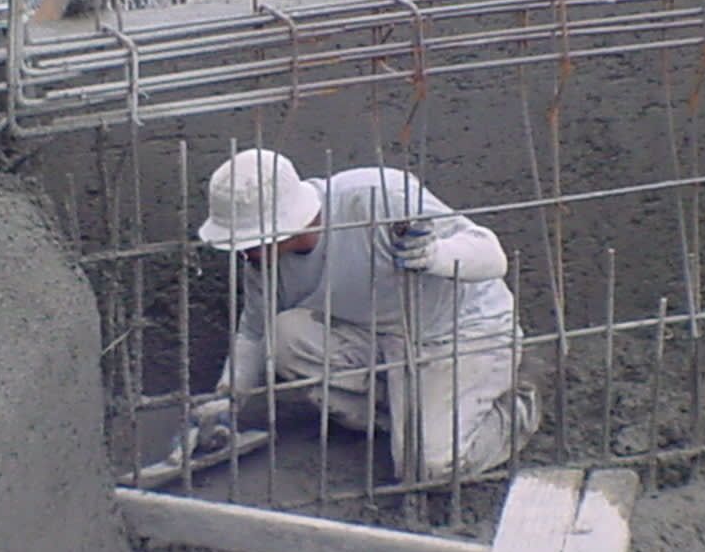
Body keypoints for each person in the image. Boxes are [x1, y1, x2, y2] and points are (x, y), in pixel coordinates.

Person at [176, 148, 543, 480]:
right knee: (284, 336)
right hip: (378, 341)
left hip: (459, 333)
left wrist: (436, 255)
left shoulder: (376, 197)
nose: (242, 253)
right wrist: (226, 398)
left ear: (282, 226)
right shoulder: (264, 262)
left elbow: (492, 256)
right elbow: (254, 332)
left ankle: (514, 406)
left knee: (429, 468)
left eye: (248, 242)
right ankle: (411, 415)